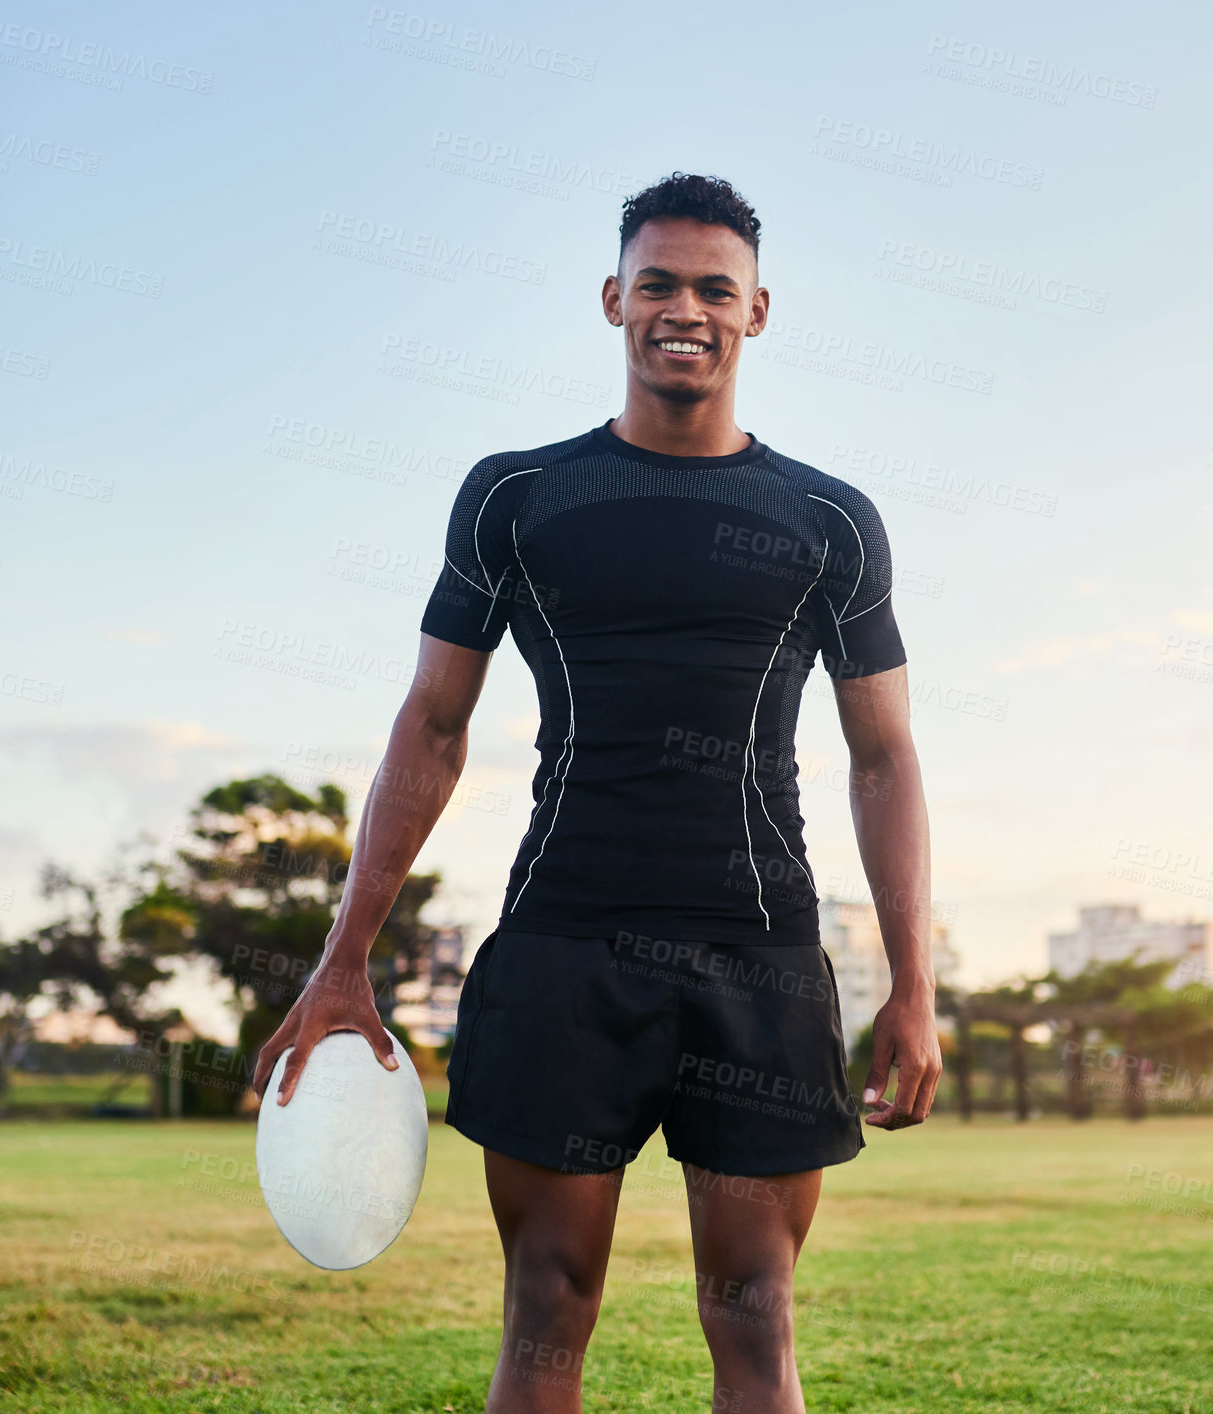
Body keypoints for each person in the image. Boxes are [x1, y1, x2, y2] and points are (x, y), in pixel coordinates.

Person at [256, 171, 940, 1414]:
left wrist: (913, 982)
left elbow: (884, 757)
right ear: (613, 297)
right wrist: (344, 956)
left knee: (757, 1321)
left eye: (713, 288)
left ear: (759, 311)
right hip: (565, 947)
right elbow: (434, 720)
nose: (686, 308)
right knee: (547, 1314)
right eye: (661, 283)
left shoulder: (829, 519)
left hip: (761, 959)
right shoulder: (519, 499)